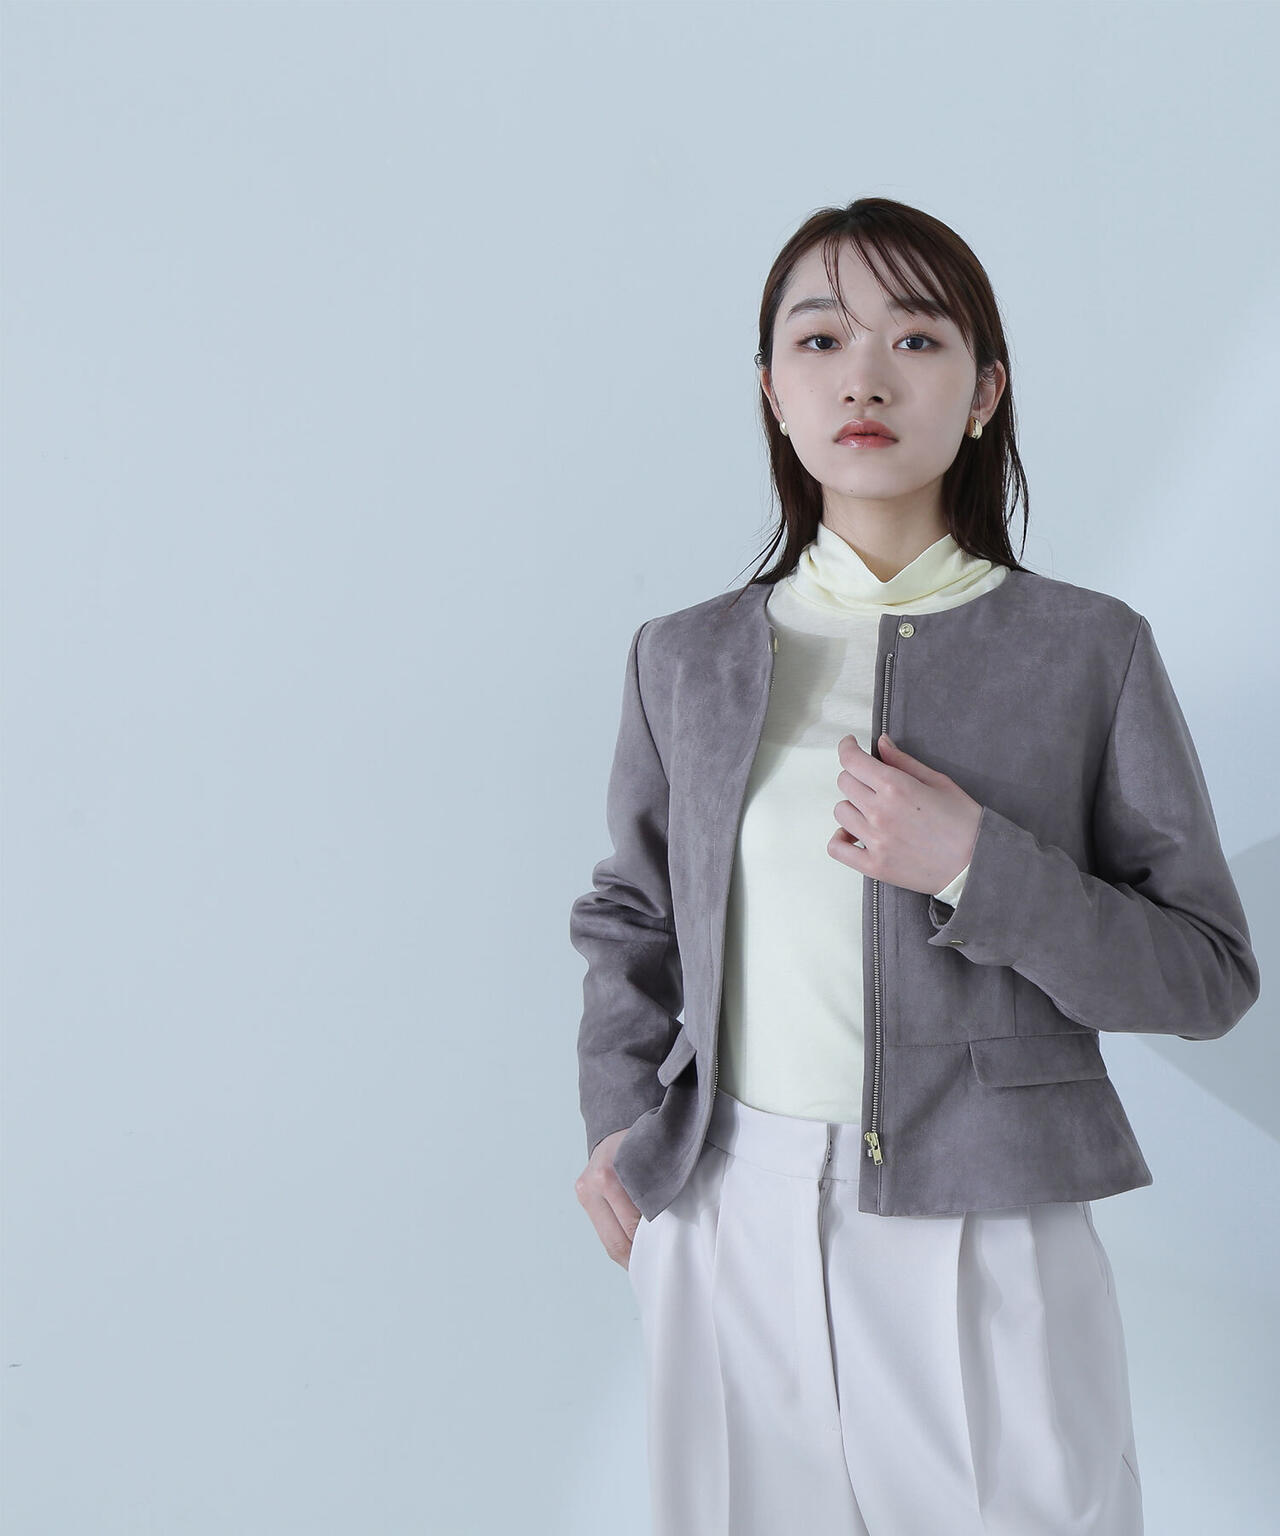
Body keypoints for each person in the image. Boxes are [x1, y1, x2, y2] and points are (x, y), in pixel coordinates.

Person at [569, 198, 1260, 1536]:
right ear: (772, 391)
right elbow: (633, 915)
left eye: (918, 339)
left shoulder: (1088, 652)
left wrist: (978, 867)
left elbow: (1206, 974)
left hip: (988, 1222)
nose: (865, 378)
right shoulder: (684, 658)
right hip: (725, 1212)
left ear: (985, 391)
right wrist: (616, 1117)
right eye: (820, 340)